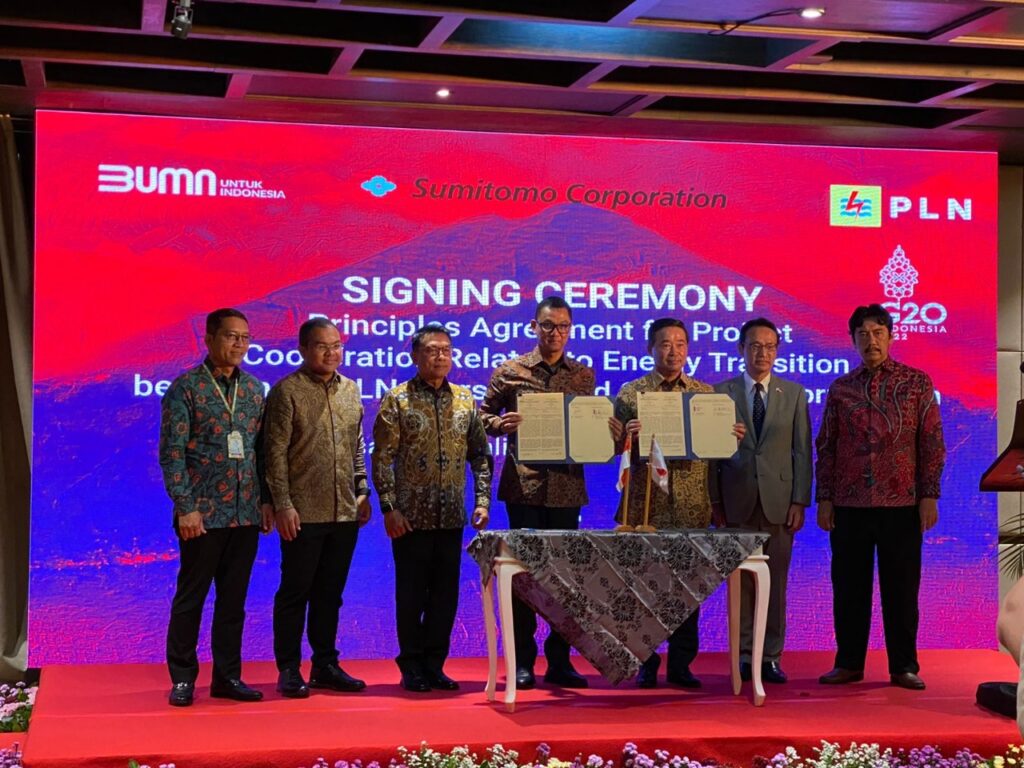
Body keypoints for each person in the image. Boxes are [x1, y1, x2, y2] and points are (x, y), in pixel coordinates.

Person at [816, 304, 945, 690]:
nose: (870, 340)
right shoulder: (841, 388)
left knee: (902, 588)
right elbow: (827, 446)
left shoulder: (917, 383)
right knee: (849, 588)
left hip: (902, 503)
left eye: (877, 332)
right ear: (852, 339)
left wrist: (930, 494)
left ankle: (904, 666)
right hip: (849, 504)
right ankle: (849, 663)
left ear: (890, 336)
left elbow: (932, 441)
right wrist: (824, 497)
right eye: (862, 333)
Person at [612, 317, 744, 689]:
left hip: (690, 506)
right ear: (650, 349)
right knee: (642, 588)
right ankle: (645, 662)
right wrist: (626, 437)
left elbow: (719, 454)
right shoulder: (630, 394)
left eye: (681, 344)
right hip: (645, 507)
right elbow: (613, 451)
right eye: (666, 344)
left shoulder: (706, 395)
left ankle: (682, 664)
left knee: (687, 590)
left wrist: (731, 437)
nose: (674, 351)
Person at [479, 296, 595, 690]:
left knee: (566, 581)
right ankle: (523, 661)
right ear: (534, 327)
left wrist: (604, 433)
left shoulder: (583, 374)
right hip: (523, 487)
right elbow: (480, 417)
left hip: (567, 488)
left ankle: (560, 660)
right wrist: (499, 423)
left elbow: (588, 426)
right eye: (548, 326)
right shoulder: (510, 371)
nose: (555, 333)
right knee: (524, 579)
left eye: (563, 326)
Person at [159, 308, 273, 707]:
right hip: (202, 515)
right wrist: (185, 507)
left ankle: (227, 676)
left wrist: (266, 501)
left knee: (233, 600)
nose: (239, 344)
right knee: (192, 596)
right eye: (230, 336)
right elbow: (171, 455)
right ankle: (183, 678)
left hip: (243, 514)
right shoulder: (186, 388)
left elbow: (261, 453)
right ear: (208, 339)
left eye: (245, 337)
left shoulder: (256, 390)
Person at [372, 322, 492, 693]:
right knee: (411, 594)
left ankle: (435, 665)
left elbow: (481, 456)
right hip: (410, 517)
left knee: (445, 596)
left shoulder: (465, 399)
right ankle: (411, 665)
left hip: (452, 515)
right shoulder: (397, 399)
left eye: (446, 350)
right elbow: (382, 458)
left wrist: (483, 501)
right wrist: (389, 508)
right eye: (431, 350)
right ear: (415, 356)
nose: (440, 356)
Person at [263, 318, 371, 699]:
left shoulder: (352, 390)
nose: (331, 353)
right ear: (304, 349)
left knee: (330, 594)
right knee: (295, 591)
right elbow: (273, 454)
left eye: (337, 345)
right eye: (322, 346)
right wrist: (283, 505)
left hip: (345, 512)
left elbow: (358, 445)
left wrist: (363, 490)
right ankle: (289, 668)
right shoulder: (286, 392)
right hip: (302, 512)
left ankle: (324, 664)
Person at [711, 317, 812, 685]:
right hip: (735, 500)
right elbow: (710, 455)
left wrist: (800, 500)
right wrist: (713, 501)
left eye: (770, 347)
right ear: (741, 349)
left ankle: (770, 656)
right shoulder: (719, 393)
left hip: (779, 503)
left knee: (776, 583)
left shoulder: (794, 394)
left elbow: (802, 452)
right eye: (755, 346)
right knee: (740, 584)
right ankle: (741, 654)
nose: (763, 353)